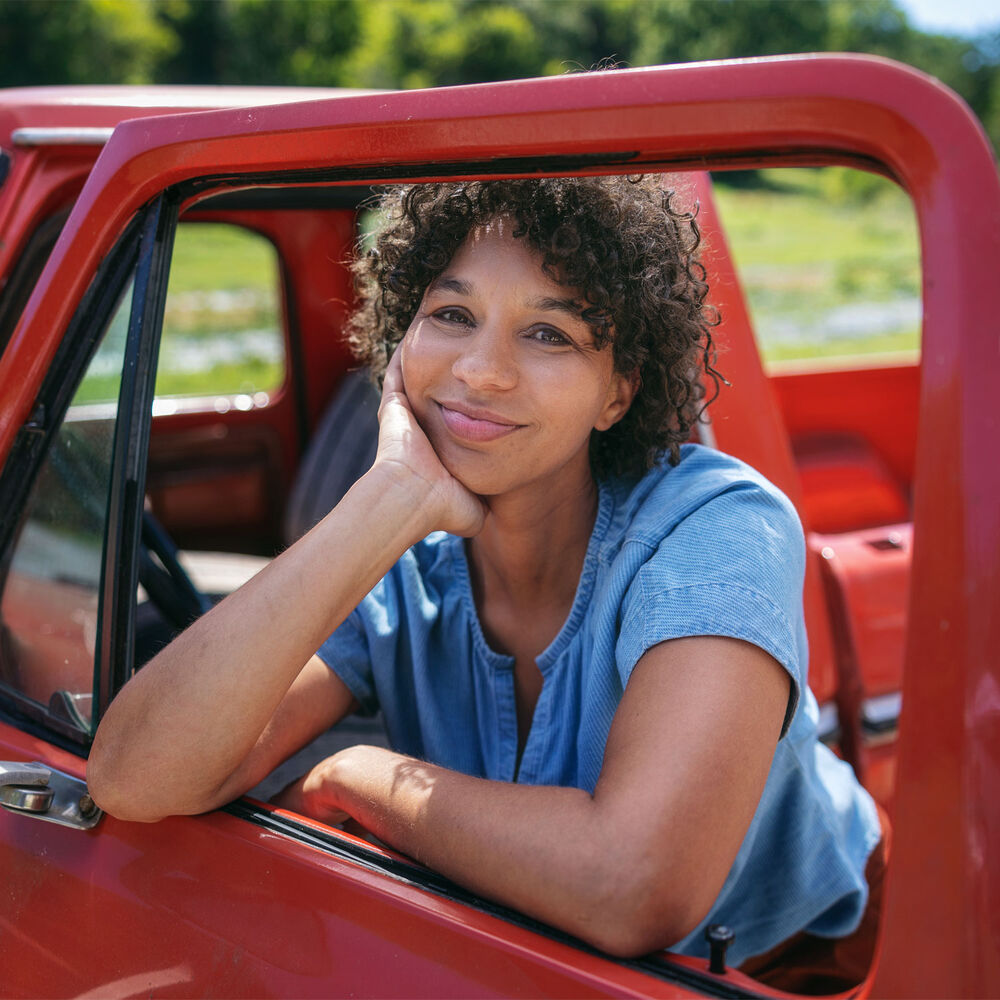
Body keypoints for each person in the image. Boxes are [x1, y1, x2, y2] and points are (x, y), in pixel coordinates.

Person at [88, 175, 884, 988]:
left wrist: (358, 778)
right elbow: (134, 777)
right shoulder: (399, 555)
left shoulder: (717, 525)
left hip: (792, 963)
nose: (481, 370)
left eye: (548, 333)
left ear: (618, 391)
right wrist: (389, 496)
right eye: (452, 315)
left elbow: (632, 885)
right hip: (529, 953)